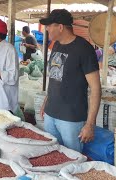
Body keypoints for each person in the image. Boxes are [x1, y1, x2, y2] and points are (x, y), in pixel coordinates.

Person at [39, 9, 101, 152]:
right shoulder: (56, 44)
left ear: (60, 27)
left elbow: (96, 88)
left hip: (71, 119)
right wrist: (46, 102)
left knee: (73, 158)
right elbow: (55, 77)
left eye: (49, 25)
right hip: (50, 114)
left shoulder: (84, 49)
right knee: (52, 154)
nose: (47, 29)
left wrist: (90, 124)